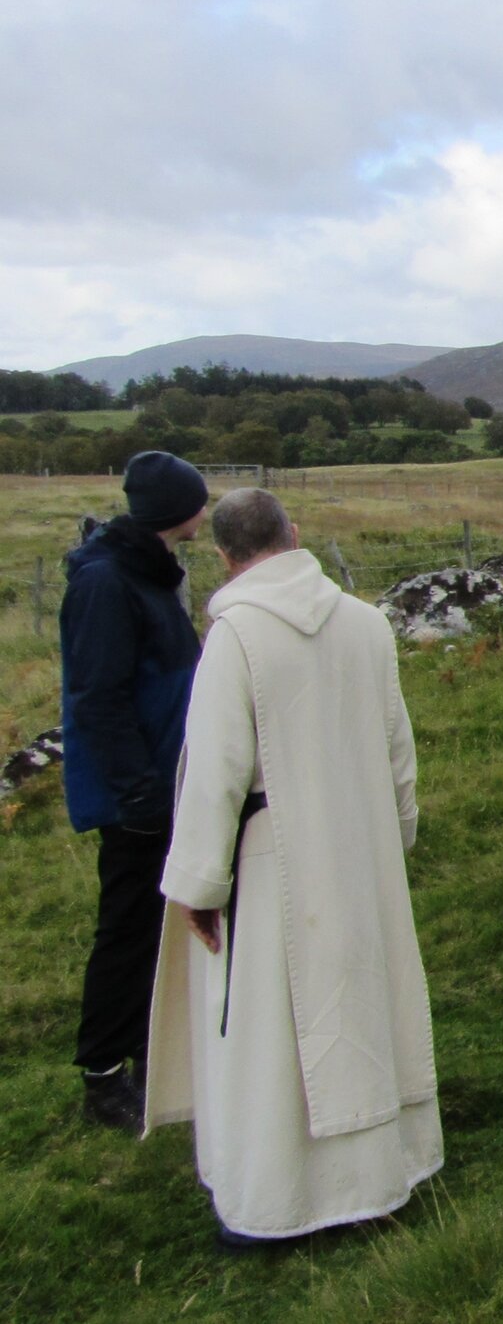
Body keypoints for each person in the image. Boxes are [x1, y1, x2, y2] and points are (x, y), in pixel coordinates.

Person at [142, 488, 440, 1249]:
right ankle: (376, 1178)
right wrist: (395, 836)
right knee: (360, 1004)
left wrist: (201, 888)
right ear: (295, 535)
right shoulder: (367, 623)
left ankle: (281, 1198)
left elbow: (214, 773)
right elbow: (397, 748)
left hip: (271, 856)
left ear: (223, 555)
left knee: (273, 1021)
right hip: (359, 837)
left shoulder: (234, 639)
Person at [58, 450, 208, 1132]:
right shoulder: (106, 581)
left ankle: (155, 1051)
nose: (205, 511)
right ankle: (102, 1073)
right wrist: (138, 793)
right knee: (126, 925)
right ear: (176, 509)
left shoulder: (146, 570)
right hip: (136, 790)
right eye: (197, 501)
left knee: (164, 920)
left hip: (165, 776)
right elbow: (98, 696)